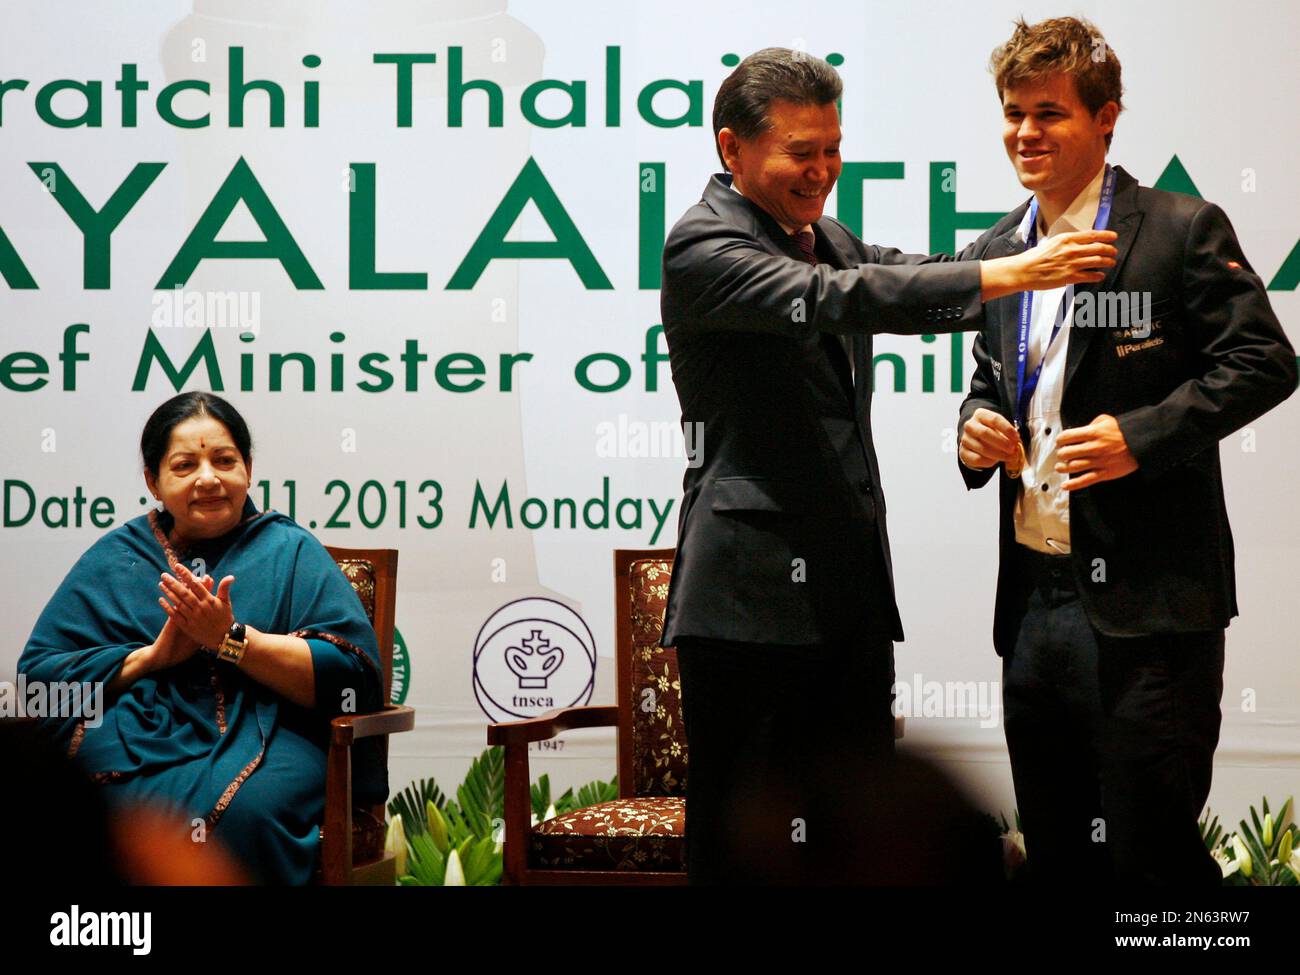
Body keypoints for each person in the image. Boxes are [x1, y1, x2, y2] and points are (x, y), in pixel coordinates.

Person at [659, 47, 1118, 884]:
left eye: (833, 150)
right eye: (802, 152)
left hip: (850, 595)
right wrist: (1009, 271)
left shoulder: (822, 234)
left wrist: (1028, 240)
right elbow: (845, 298)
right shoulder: (702, 245)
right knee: (746, 839)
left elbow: (899, 273)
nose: (823, 171)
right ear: (732, 149)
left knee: (860, 836)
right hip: (749, 602)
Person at [956, 17, 1296, 884]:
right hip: (1034, 608)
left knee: (1153, 861)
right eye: (1011, 113)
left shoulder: (1180, 229)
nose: (1025, 133)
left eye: (1048, 113)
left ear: (1106, 119)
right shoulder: (1000, 249)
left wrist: (1140, 437)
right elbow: (996, 376)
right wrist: (976, 422)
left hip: (1151, 612)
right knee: (1060, 854)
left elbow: (1267, 361)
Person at [18, 391, 387, 884]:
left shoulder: (290, 550)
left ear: (248, 469)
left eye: (224, 460)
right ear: (154, 481)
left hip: (271, 729)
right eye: (185, 465)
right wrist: (152, 658)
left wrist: (230, 640)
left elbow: (352, 677)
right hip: (135, 727)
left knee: (247, 812)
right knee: (80, 804)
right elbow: (39, 684)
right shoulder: (118, 556)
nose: (208, 478)